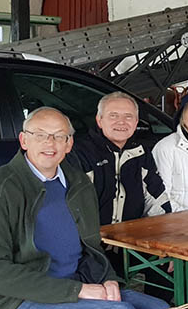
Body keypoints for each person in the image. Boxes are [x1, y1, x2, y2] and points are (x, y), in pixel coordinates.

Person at [0, 107, 168, 309]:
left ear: (69, 144)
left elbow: (90, 248)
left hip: (74, 285)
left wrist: (107, 279)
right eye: (40, 135)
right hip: (14, 303)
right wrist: (78, 291)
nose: (49, 143)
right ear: (24, 140)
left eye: (59, 136)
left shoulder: (78, 181)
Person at [69, 92, 171, 225]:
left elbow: (156, 199)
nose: (121, 122)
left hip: (130, 239)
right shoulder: (79, 152)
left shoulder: (141, 153)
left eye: (128, 117)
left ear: (136, 122)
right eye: (113, 116)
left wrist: (164, 230)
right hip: (89, 241)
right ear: (99, 120)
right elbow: (71, 206)